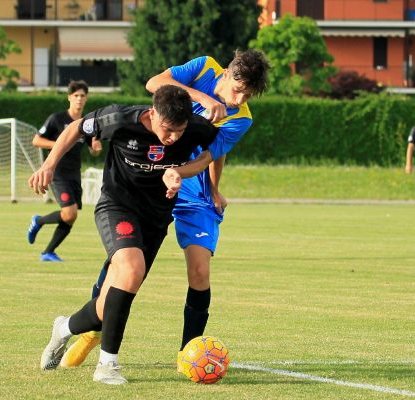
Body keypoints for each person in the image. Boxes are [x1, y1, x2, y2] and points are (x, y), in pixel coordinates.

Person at [60, 49, 270, 370]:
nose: (240, 99)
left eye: (248, 94)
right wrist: (202, 97)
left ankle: (189, 357)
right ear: (226, 73)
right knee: (123, 272)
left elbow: (213, 153)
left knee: (199, 272)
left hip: (192, 188)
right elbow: (156, 83)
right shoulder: (203, 68)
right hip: (151, 182)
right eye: (237, 89)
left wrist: (213, 190)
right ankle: (90, 335)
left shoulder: (241, 118)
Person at [29, 85, 219, 384]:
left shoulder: (196, 128)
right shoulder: (118, 119)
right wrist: (49, 165)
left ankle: (64, 328)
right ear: (152, 113)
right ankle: (107, 365)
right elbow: (76, 128)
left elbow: (211, 155)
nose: (173, 137)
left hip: (156, 218)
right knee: (131, 269)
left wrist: (180, 172)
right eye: (168, 130)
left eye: (179, 131)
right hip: (117, 207)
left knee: (108, 305)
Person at [27, 80, 102, 262]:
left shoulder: (87, 124)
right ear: (69, 98)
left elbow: (92, 149)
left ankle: (48, 252)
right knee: (70, 213)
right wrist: (61, 144)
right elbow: (36, 141)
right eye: (75, 95)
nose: (79, 99)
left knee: (70, 217)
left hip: (74, 173)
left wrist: (95, 147)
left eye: (82, 96)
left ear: (86, 99)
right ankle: (38, 221)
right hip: (57, 173)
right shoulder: (57, 119)